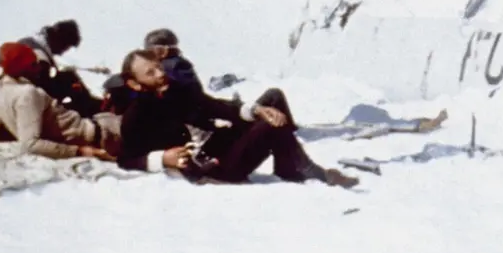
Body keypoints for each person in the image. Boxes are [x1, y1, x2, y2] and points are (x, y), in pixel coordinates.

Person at [115, 49, 358, 187]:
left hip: (214, 150)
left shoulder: (176, 90)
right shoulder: (136, 114)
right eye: (151, 72)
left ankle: (289, 165)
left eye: (159, 67)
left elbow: (216, 107)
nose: (161, 74)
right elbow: (126, 159)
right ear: (134, 83)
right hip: (209, 171)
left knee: (271, 102)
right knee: (268, 128)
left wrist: (256, 110)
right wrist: (163, 158)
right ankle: (306, 171)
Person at [0, 42, 114, 160]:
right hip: (97, 134)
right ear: (22, 70)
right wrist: (79, 151)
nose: (38, 69)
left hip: (92, 127)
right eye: (33, 65)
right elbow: (30, 145)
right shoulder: (27, 94)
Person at [17, 19, 103, 117]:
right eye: (65, 47)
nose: (61, 53)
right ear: (60, 40)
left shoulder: (30, 41)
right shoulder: (41, 59)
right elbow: (45, 93)